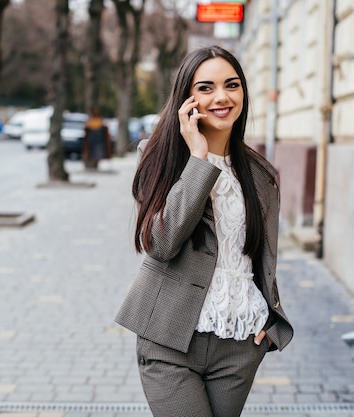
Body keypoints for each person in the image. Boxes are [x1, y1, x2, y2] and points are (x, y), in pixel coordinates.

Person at [115, 45, 294, 416]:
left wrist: (269, 326)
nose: (222, 97)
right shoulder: (158, 157)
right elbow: (160, 243)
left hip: (239, 344)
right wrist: (198, 158)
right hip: (170, 342)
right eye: (206, 87)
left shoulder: (260, 175)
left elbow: (262, 255)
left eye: (232, 85)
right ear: (187, 99)